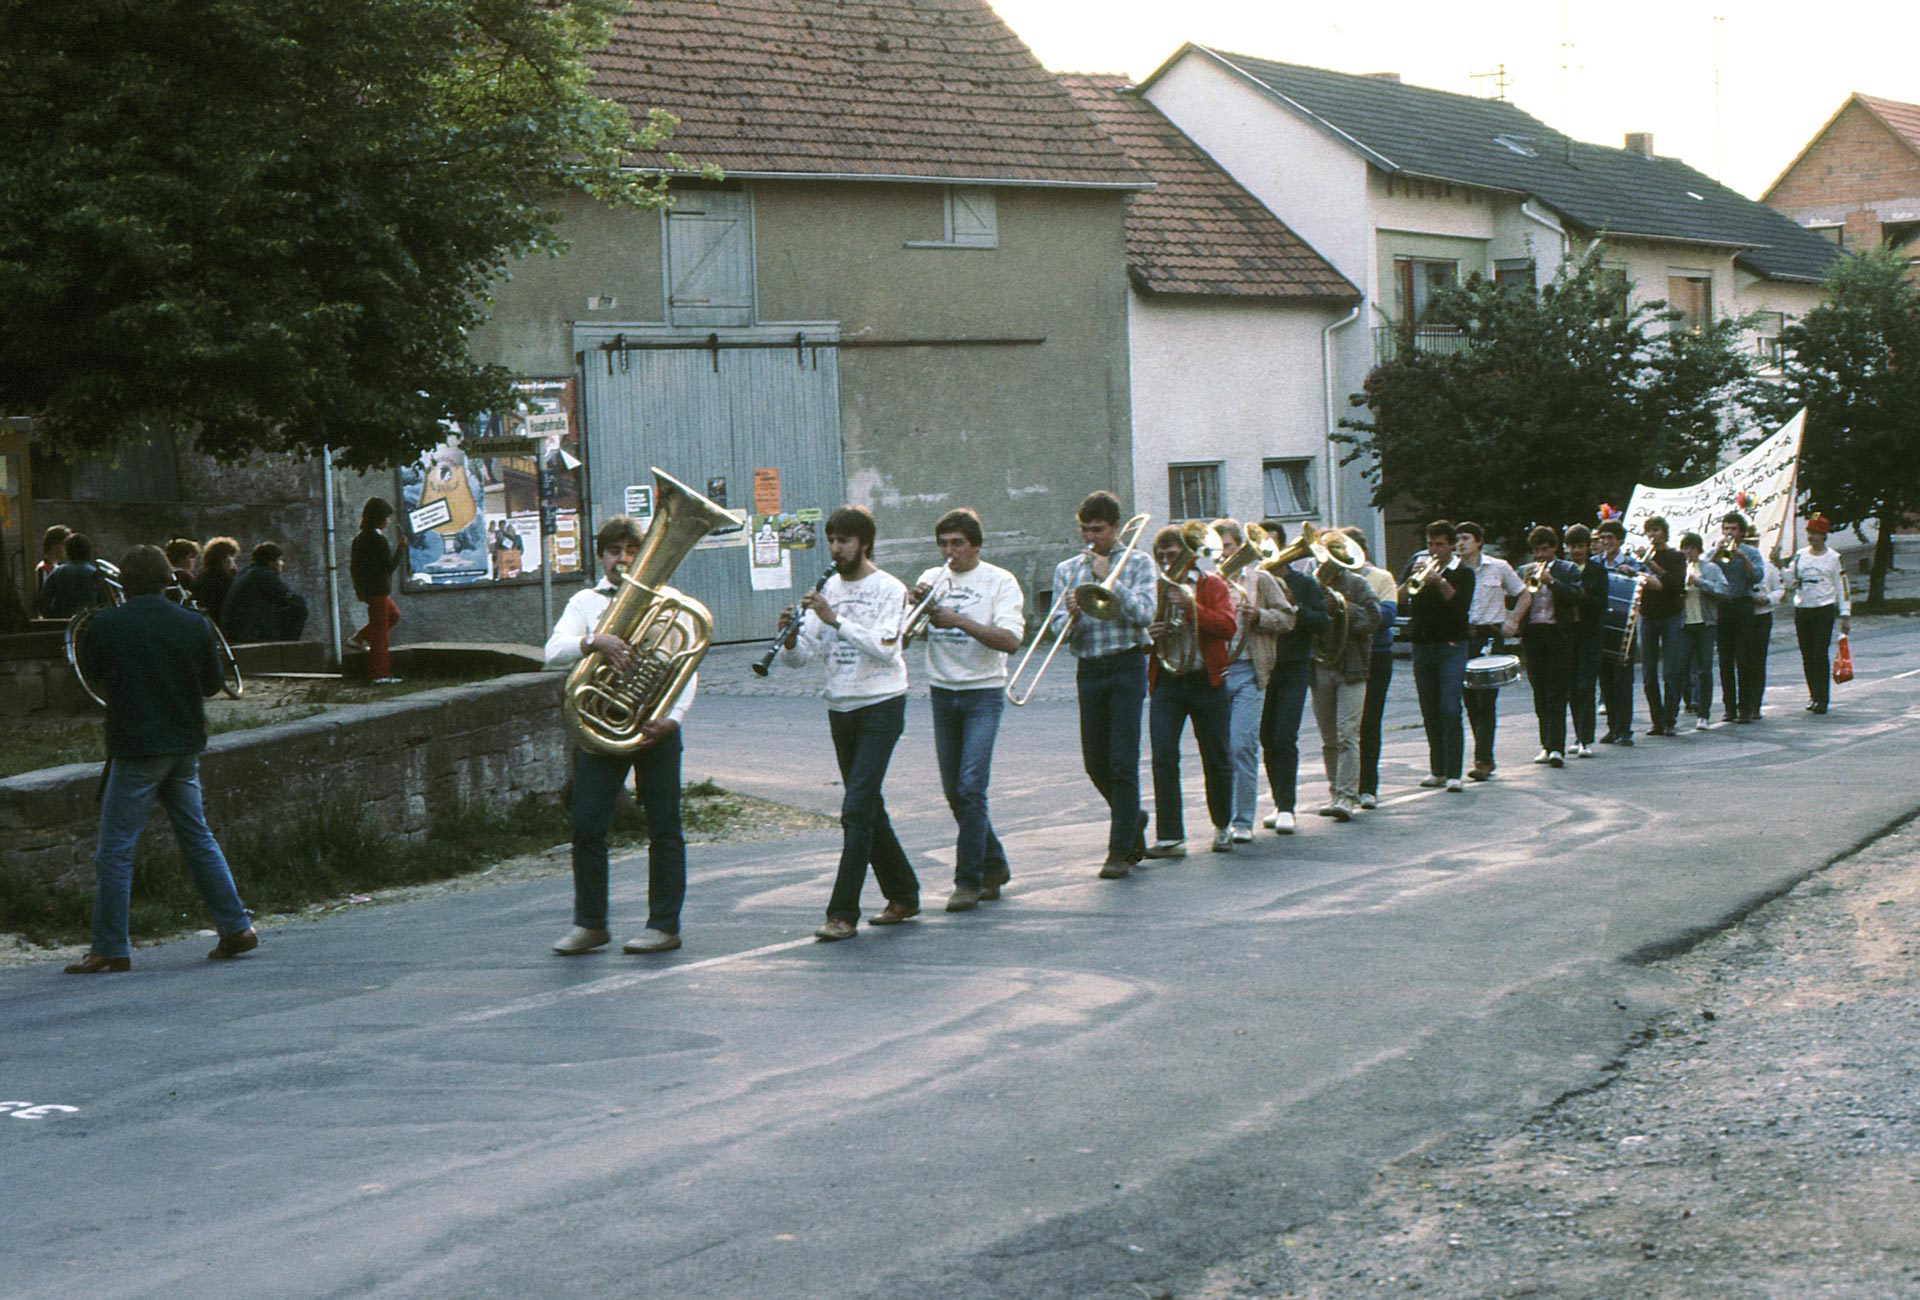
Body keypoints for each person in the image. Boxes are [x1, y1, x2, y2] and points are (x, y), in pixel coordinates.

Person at [63, 546, 256, 974]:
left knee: (115, 850)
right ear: (168, 578)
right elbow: (211, 685)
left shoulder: (106, 623)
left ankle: (110, 944)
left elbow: (91, 673)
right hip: (184, 743)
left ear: (124, 582)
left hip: (136, 745)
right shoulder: (193, 622)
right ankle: (236, 925)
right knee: (198, 836)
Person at [544, 516, 692, 957]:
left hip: (654, 726)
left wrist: (674, 718)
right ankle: (591, 925)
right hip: (603, 727)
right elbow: (552, 652)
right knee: (588, 823)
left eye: (630, 551)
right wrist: (594, 642)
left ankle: (663, 925)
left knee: (664, 826)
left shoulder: (669, 601)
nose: (622, 560)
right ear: (601, 557)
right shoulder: (585, 602)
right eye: (613, 552)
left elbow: (687, 661)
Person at [776, 505, 920, 939]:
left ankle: (842, 914)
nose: (837, 549)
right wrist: (787, 639)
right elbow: (807, 657)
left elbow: (885, 648)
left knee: (855, 809)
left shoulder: (888, 588)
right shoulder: (829, 589)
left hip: (881, 702)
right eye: (833, 540)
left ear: (865, 543)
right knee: (869, 807)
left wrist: (835, 619)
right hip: (841, 705)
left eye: (845, 541)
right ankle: (905, 893)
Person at [910, 508, 1024, 911]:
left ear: (975, 544)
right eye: (943, 544)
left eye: (957, 543)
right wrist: (913, 611)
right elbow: (905, 636)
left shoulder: (999, 581)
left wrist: (957, 620)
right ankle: (994, 865)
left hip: (983, 693)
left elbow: (1010, 640)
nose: (949, 552)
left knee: (971, 787)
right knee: (954, 792)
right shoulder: (931, 578)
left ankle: (968, 881)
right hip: (943, 692)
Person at [1048, 491, 1157, 878]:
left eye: (1098, 530)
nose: (1090, 538)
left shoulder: (1139, 563)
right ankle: (1133, 818)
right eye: (1085, 530)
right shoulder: (1067, 570)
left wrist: (1108, 579)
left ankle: (1120, 852)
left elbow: (1145, 614)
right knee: (1095, 763)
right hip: (1090, 668)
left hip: (1127, 664)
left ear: (1114, 528)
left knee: (1123, 762)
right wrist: (1072, 616)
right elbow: (1057, 632)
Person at [1143, 525, 1238, 857]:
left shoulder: (1212, 584)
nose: (1168, 561)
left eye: (1174, 554)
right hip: (1168, 681)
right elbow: (1144, 636)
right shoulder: (1156, 588)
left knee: (1217, 756)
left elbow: (1227, 626)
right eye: (1163, 556)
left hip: (1206, 681)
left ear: (1191, 553)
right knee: (1163, 756)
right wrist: (1148, 636)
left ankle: (1224, 826)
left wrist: (1188, 606)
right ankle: (1170, 837)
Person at [1213, 518, 1293, 838]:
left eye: (1228, 547)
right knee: (1220, 751)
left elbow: (1288, 617)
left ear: (1242, 548)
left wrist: (1259, 616)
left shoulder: (1260, 580)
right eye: (1217, 549)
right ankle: (1222, 819)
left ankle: (1242, 821)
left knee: (1242, 744)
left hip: (1248, 671)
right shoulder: (1211, 581)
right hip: (1217, 674)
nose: (1222, 554)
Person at [1260, 522, 1330, 833]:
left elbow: (1323, 623)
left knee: (1284, 735)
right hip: (1263, 666)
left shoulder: (1304, 583)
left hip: (1293, 666)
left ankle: (1287, 806)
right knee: (1266, 737)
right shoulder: (1256, 582)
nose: (1270, 554)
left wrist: (1295, 607)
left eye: (1274, 546)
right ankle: (1278, 802)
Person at [1400, 521, 1475, 792]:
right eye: (1430, 544)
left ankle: (1454, 772)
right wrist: (1412, 579)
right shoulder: (1417, 565)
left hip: (1452, 645)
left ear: (1451, 545)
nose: (1434, 549)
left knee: (1449, 708)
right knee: (1430, 709)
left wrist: (1440, 581)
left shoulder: (1463, 572)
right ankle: (1438, 770)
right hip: (1423, 645)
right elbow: (1399, 598)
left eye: (1440, 544)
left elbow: (1460, 606)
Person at [1504, 526, 1585, 766]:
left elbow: (1577, 596)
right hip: (1532, 635)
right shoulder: (1523, 570)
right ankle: (1545, 744)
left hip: (1558, 635)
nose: (1540, 555)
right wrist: (1518, 585)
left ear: (1554, 548)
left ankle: (1557, 748)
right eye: (1537, 550)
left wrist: (1552, 582)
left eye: (1545, 549)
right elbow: (1511, 601)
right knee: (1539, 692)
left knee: (1556, 693)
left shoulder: (1567, 569)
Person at [1309, 553, 1381, 819]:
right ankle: (1335, 792)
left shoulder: (1358, 584)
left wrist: (1343, 607)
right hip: (1321, 666)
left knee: (1347, 733)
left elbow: (1374, 620)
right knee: (1328, 738)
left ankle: (1348, 797)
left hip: (1352, 668)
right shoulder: (1312, 583)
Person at [1455, 522, 1523, 781]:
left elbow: (1523, 593)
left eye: (1466, 538)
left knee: (1487, 700)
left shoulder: (1498, 567)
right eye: (1458, 539)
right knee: (1470, 701)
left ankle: (1483, 758)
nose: (1461, 544)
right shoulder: (1454, 569)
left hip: (1489, 636)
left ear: (1479, 541)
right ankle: (1484, 755)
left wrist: (1513, 620)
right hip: (1463, 636)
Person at [1344, 532, 1398, 809]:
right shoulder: (1332, 579)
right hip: (1345, 654)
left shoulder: (1381, 577)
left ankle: (1368, 787)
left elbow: (1387, 616)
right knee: (1344, 727)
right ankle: (1344, 788)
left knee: (1369, 721)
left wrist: (1349, 608)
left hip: (1376, 654)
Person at [1786, 514, 1851, 715]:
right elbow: (1789, 581)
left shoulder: (1833, 558)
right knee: (1806, 654)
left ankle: (1823, 697)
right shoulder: (1800, 555)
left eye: (1816, 533)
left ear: (1824, 536)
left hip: (1823, 607)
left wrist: (1845, 613)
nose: (1812, 537)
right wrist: (1783, 570)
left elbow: (1842, 587)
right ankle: (1813, 694)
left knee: (1819, 653)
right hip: (1803, 607)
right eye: (1810, 533)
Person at [1636, 515, 1689, 738]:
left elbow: (1677, 584)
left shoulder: (1676, 556)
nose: (1652, 535)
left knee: (1670, 671)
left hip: (1670, 617)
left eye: (1656, 530)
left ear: (1664, 532)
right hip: (1647, 616)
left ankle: (1670, 719)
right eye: (1649, 531)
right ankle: (1656, 720)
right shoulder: (1641, 558)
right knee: (1648, 672)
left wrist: (1654, 567)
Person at [1713, 513, 1766, 724]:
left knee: (1743, 659)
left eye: (1733, 529)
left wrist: (1742, 558)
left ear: (1741, 532)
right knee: (1725, 660)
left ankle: (1746, 707)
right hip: (1723, 606)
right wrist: (1717, 552)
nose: (1729, 533)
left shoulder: (1751, 553)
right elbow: (1703, 569)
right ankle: (1729, 708)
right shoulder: (1717, 551)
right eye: (1726, 528)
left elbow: (1757, 577)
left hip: (1743, 604)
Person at [1562, 524, 1609, 757]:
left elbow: (1601, 602)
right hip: (1569, 633)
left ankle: (1586, 739)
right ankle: (1578, 735)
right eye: (1572, 546)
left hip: (1590, 633)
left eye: (1580, 546)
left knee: (1585, 685)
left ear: (1587, 547)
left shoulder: (1597, 570)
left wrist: (1580, 596)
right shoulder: (1564, 570)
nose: (1576, 551)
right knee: (1571, 686)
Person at [1676, 532, 1729, 731]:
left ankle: (1704, 714)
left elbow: (1724, 590)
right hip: (1685, 624)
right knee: (1680, 667)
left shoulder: (1710, 568)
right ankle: (1685, 704)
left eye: (1691, 548)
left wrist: (1701, 583)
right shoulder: (1680, 568)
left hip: (1706, 623)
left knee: (1704, 669)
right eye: (1684, 548)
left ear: (1698, 549)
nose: (1687, 552)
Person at [1594, 519, 1641, 746]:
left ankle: (1625, 730)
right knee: (1605, 680)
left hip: (1624, 629)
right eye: (1602, 538)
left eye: (1610, 538)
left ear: (1620, 540)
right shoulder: (1595, 562)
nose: (1605, 542)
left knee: (1623, 680)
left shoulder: (1632, 562)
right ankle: (1613, 728)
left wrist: (1633, 574)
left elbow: (1648, 582)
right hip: (1600, 626)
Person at [350, 499, 405, 684]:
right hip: (379, 590)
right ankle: (380, 674)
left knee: (393, 615)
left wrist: (359, 588)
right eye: (386, 517)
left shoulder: (359, 538)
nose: (388, 521)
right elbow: (388, 567)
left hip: (368, 590)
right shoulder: (378, 539)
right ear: (379, 518)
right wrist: (400, 550)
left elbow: (354, 567)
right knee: (380, 634)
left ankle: (359, 637)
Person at [222, 542, 309, 642]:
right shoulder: (264, 575)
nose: (282, 564)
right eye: (280, 560)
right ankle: (287, 647)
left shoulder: (246, 572)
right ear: (270, 562)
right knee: (299, 609)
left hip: (234, 629)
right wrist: (305, 601)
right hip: (248, 632)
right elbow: (293, 599)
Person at [36, 532, 115, 618]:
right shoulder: (95, 573)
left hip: (62, 623)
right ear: (88, 551)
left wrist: (53, 617)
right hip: (88, 622)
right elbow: (105, 604)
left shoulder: (58, 572)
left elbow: (43, 602)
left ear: (68, 551)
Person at [192, 537, 241, 629]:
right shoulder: (223, 580)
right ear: (222, 559)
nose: (234, 562)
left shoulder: (202, 577)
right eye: (232, 558)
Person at [35, 525, 71, 597]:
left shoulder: (58, 567)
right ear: (53, 545)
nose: (66, 548)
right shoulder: (43, 569)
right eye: (63, 544)